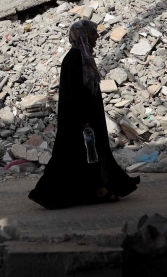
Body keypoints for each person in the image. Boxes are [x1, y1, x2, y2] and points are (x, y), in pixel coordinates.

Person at [28, 19, 139, 209]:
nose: (97, 37)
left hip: (86, 117)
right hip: (79, 119)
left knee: (88, 155)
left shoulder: (83, 56)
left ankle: (98, 189)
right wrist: (82, 120)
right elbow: (76, 92)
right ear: (83, 35)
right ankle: (58, 194)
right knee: (73, 157)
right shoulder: (75, 58)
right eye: (93, 33)